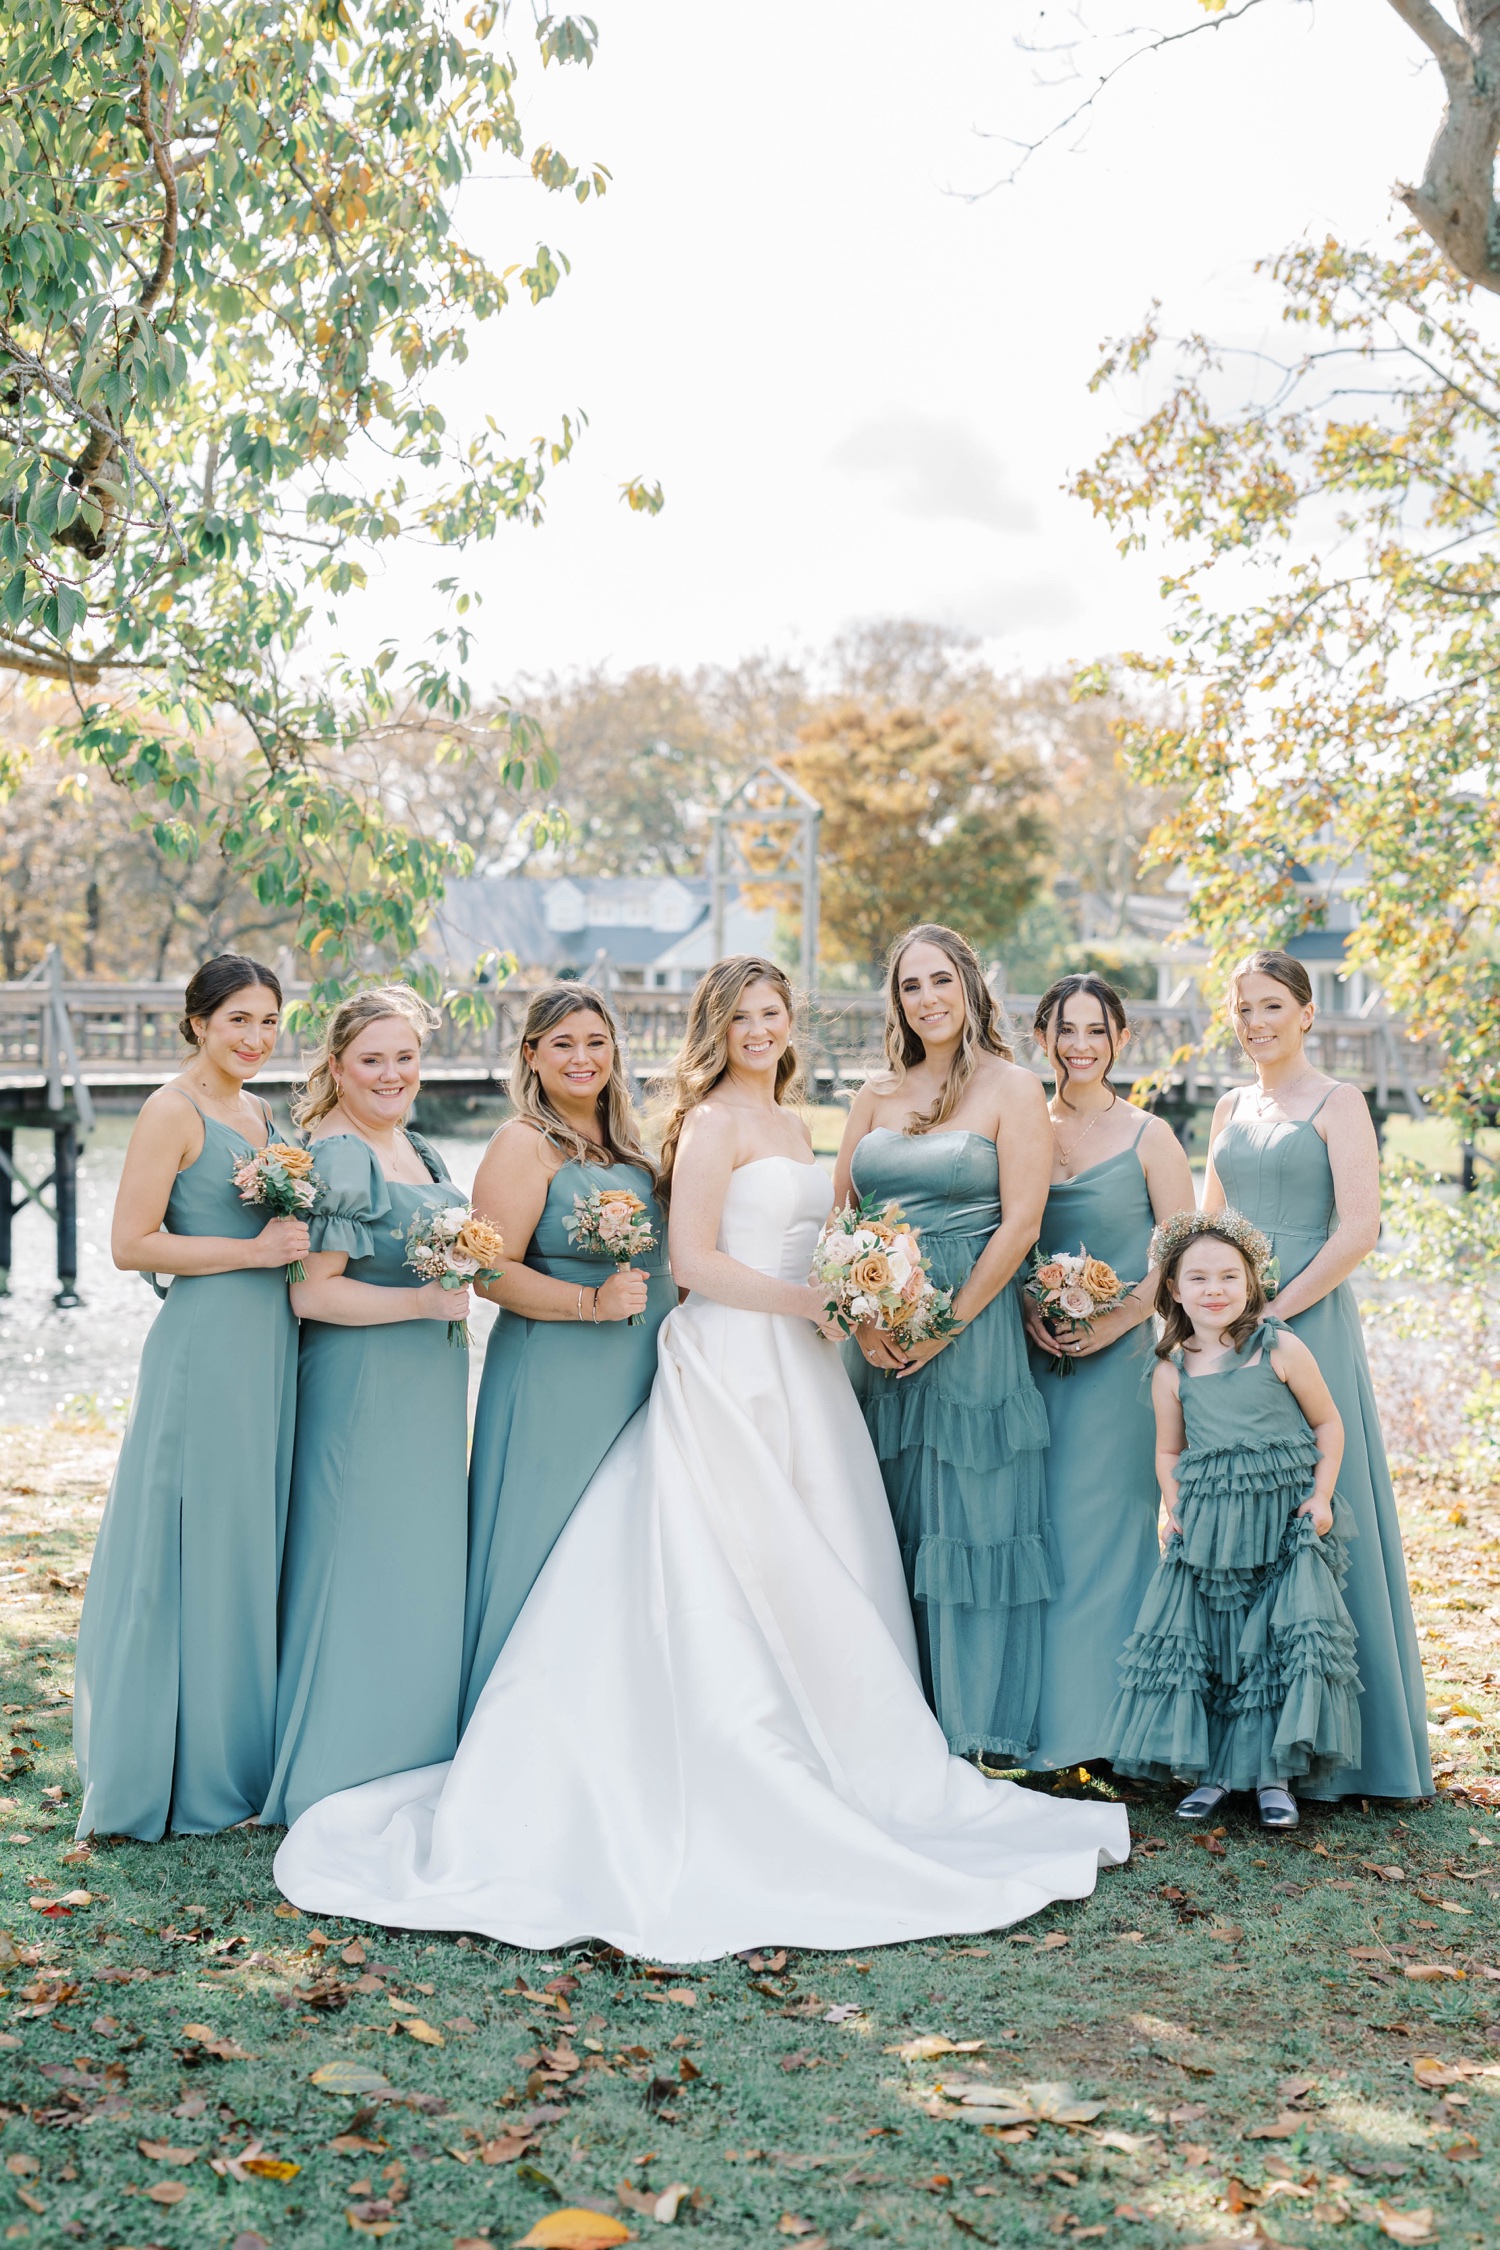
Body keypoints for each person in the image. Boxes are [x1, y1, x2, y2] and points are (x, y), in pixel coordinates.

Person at [273, 956, 1128, 1958]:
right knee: (718, 1560)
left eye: (773, 1013)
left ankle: (856, 1748)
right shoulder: (713, 1123)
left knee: (819, 1556)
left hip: (806, 1370)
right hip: (734, 1358)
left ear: (789, 1022)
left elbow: (832, 1229)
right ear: (714, 1029)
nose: (758, 1031)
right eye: (740, 1016)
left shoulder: (797, 1121)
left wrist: (863, 1285)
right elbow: (694, 1265)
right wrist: (813, 1301)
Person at [74, 956, 305, 1839]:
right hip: (206, 1346)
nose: (254, 1038)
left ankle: (234, 1746)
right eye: (238, 1020)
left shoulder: (260, 1113)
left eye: (269, 1022)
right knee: (189, 1535)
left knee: (243, 1535)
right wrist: (252, 1253)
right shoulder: (173, 1110)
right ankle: (166, 1761)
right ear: (198, 1021)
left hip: (269, 1349)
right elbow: (131, 1244)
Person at [1203, 949, 1430, 1800]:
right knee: (1237, 1512)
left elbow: (1360, 1230)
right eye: (1242, 1010)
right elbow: (1207, 1223)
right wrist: (1206, 1311)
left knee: (1311, 1512)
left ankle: (1333, 1748)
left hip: (1308, 1323)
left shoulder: (1341, 1104)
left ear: (1305, 1012)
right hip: (1230, 1328)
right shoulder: (1229, 1105)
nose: (1255, 1023)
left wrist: (1276, 1312)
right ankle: (1241, 1745)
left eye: (1270, 1006)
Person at [834, 924, 1053, 1767]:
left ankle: (968, 1730)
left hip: (973, 1325)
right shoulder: (874, 1095)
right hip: (880, 1327)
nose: (927, 999)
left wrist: (947, 1324)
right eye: (910, 986)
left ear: (970, 986)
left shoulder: (1011, 1088)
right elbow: (839, 1218)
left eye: (940, 981)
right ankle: (886, 1720)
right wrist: (862, 1314)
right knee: (883, 1511)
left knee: (970, 1520)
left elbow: (1023, 1221)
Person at [261, 987, 471, 1828]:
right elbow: (314, 1297)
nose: (392, 1073)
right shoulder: (341, 1155)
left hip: (427, 1386)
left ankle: (408, 1746)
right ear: (338, 1068)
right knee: (355, 1558)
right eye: (372, 1060)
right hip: (362, 1389)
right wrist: (423, 1306)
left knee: (411, 1560)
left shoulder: (416, 1146)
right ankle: (339, 1758)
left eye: (405, 1057)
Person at [459, 983, 674, 1727]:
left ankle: (599, 1719)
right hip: (555, 1376)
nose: (582, 1058)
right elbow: (487, 1270)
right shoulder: (524, 1142)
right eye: (562, 1044)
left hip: (638, 1376)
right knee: (543, 1542)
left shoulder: (633, 1146)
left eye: (595, 1042)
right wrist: (589, 1303)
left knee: (612, 1552)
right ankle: (509, 1719)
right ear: (532, 1055)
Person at [1103, 1210, 1360, 1829]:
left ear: (1251, 1284)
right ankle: (1216, 1773)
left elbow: (1328, 1423)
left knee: (1273, 1645)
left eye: (1228, 1276)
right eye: (1198, 1278)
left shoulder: (1279, 1348)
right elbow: (1170, 1449)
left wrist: (1321, 1497)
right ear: (1173, 1289)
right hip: (1211, 1529)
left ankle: (1275, 1778)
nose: (1214, 1290)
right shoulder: (1171, 1370)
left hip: (1283, 1520)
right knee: (1218, 1644)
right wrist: (1174, 1504)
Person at [1022, 974, 1195, 1771]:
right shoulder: (1023, 1126)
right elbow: (1007, 1235)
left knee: (1109, 1539)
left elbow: (1180, 1252)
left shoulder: (1150, 1137)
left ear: (1119, 1040)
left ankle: (1115, 1737)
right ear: (1044, 1038)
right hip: (1030, 1361)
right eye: (1066, 1030)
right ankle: (1044, 1725)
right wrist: (1030, 1310)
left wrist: (1117, 1320)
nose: (1080, 1045)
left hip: (1120, 1366)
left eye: (1096, 1030)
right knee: (1041, 1534)